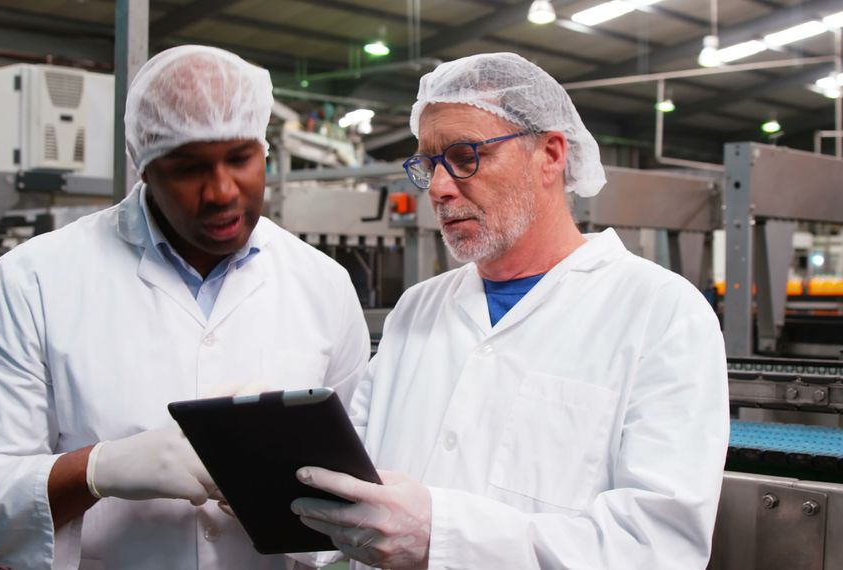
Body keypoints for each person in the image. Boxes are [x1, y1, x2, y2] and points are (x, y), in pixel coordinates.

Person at [289, 52, 730, 569]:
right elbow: (355, 482)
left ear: (550, 154)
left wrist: (444, 538)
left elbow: (657, 549)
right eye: (428, 163)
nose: (438, 186)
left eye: (465, 155)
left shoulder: (661, 313)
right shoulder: (418, 309)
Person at [0, 45, 369, 569]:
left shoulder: (322, 284)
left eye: (239, 158)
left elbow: (362, 488)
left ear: (264, 149)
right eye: (188, 169)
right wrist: (98, 469)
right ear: (144, 167)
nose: (221, 191)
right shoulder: (37, 278)